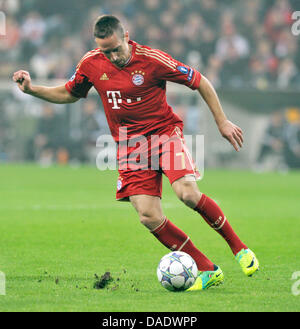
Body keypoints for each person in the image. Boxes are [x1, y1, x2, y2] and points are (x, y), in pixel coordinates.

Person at [13, 15, 259, 291]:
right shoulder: (91, 63)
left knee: (187, 194)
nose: (112, 56)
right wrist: (32, 89)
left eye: (116, 49)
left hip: (164, 135)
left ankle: (239, 249)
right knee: (148, 216)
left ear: (126, 36)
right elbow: (70, 93)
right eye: (106, 51)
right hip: (131, 147)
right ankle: (207, 269)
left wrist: (222, 121)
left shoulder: (152, 59)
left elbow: (200, 81)